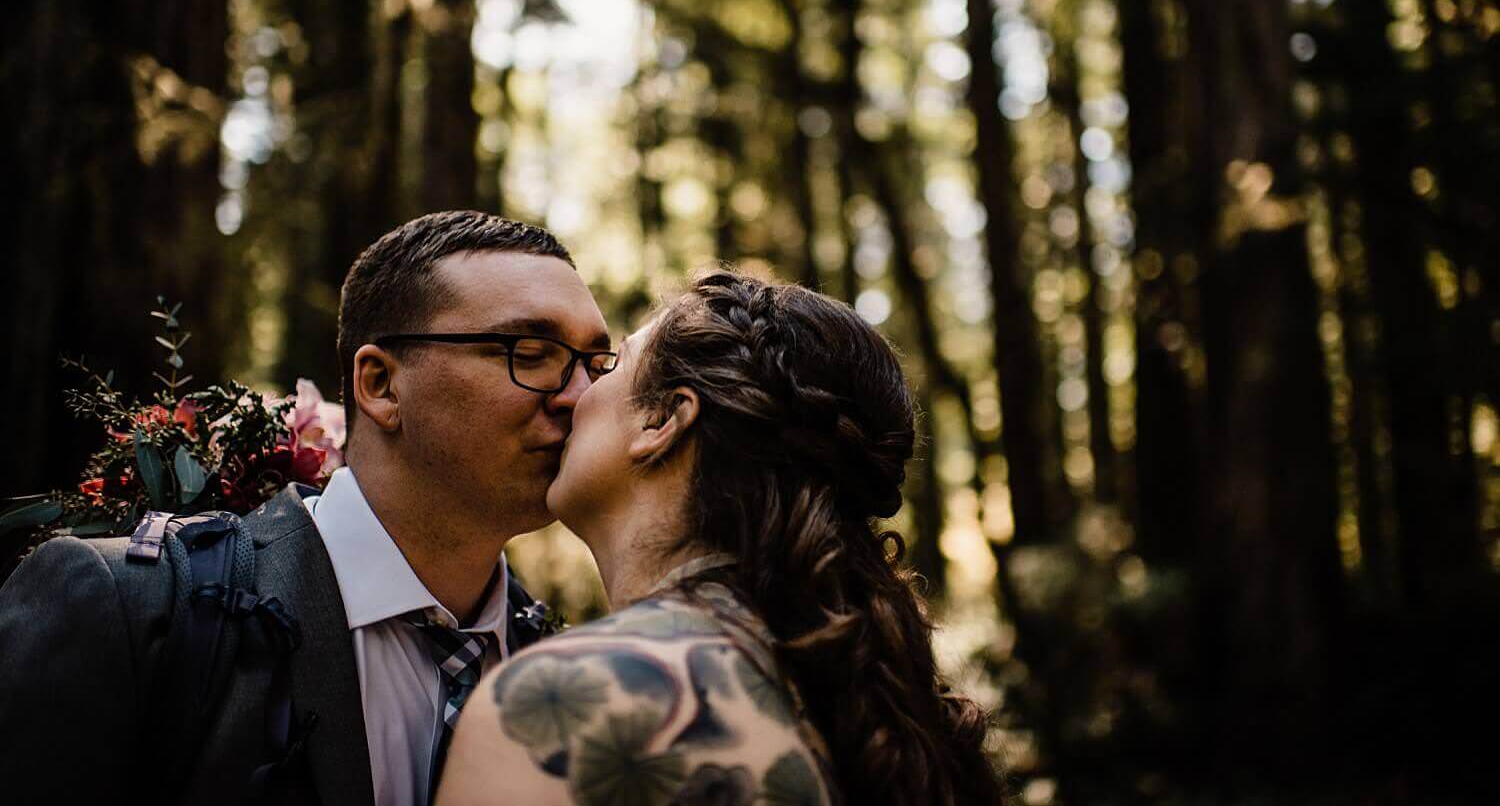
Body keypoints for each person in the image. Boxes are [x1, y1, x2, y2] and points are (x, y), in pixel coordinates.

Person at [0, 210, 614, 806]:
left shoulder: (566, 674)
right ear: (380, 385)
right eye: (531, 352)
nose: (581, 398)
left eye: (595, 364)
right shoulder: (131, 607)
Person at [437, 270, 1005, 806]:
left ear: (663, 422)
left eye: (610, 369)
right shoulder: (851, 695)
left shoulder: (564, 705)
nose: (571, 396)